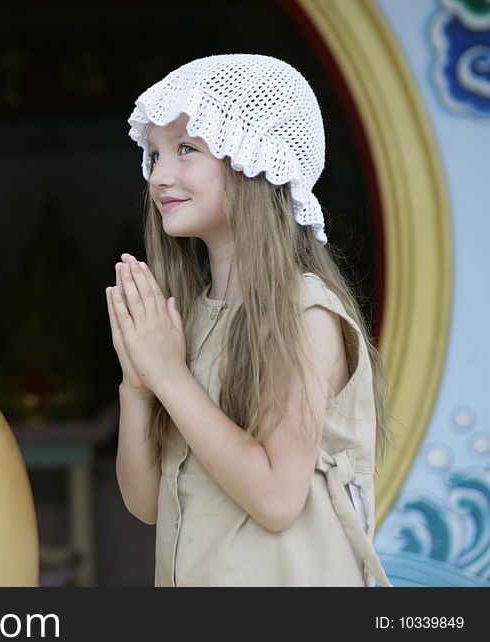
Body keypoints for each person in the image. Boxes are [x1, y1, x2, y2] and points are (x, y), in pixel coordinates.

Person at [105, 54, 393, 586]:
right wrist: (138, 383)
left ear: (255, 160)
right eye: (154, 153)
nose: (159, 176)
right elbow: (145, 503)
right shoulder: (187, 321)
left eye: (186, 149)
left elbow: (277, 497)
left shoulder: (307, 316)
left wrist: (170, 375)